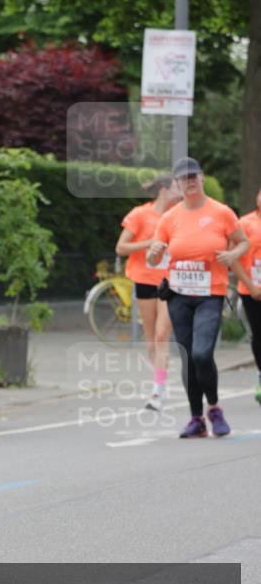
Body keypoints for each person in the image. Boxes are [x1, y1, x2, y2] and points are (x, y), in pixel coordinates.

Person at [147, 157, 249, 438]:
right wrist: (153, 253)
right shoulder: (170, 218)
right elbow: (153, 257)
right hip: (178, 296)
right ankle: (196, 419)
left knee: (202, 353)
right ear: (177, 184)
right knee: (188, 358)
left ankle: (214, 408)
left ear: (202, 178)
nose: (190, 181)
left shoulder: (222, 212)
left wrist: (232, 254)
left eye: (194, 176)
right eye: (184, 178)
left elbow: (243, 241)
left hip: (210, 294)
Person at [115, 175, 181, 410]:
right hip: (144, 280)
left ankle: (157, 390)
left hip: (169, 282)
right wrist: (149, 243)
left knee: (163, 335)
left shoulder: (179, 215)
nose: (181, 190)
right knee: (151, 337)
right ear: (164, 189)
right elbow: (120, 248)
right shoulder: (140, 214)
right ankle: (158, 379)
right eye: (177, 186)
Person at [231, 186, 261, 404]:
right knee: (259, 335)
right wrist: (251, 286)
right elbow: (232, 258)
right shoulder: (244, 223)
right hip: (252, 289)